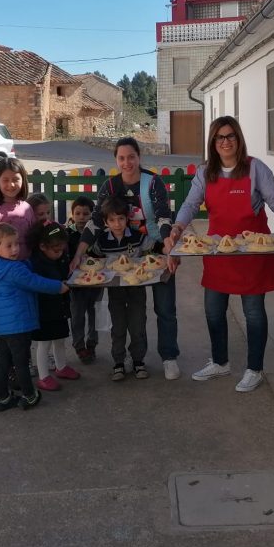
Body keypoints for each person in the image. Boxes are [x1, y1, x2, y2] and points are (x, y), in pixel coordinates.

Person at [169, 116, 274, 393]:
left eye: (230, 136)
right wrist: (177, 227)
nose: (225, 142)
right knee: (213, 311)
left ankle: (254, 369)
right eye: (219, 137)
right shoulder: (205, 172)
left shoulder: (255, 168)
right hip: (218, 252)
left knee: (253, 313)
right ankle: (220, 362)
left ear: (238, 139)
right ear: (213, 142)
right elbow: (191, 204)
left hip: (252, 252)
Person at [72, 137, 181, 380]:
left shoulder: (153, 183)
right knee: (122, 312)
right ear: (116, 160)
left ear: (139, 157)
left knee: (165, 308)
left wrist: (169, 249)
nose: (127, 162)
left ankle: (169, 356)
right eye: (121, 158)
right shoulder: (110, 187)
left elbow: (164, 217)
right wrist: (79, 253)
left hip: (156, 249)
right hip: (123, 256)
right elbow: (96, 221)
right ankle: (124, 358)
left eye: (131, 157)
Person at [0, 223, 69, 411]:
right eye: (9, 245)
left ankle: (2, 398)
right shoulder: (14, 270)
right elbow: (35, 281)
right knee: (21, 362)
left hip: (1, 327)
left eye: (16, 244)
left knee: (3, 361)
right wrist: (58, 287)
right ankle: (29, 395)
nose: (15, 249)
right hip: (18, 324)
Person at [89, 196, 151, 382]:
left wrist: (170, 253)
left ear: (127, 219)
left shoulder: (137, 237)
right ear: (106, 222)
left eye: (121, 219)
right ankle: (118, 362)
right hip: (115, 290)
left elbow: (155, 248)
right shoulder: (102, 241)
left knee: (138, 325)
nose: (117, 224)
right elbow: (91, 258)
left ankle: (138, 360)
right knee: (118, 326)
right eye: (112, 220)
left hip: (136, 288)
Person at [28, 221, 81, 391]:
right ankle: (43, 376)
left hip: (60, 307)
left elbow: (65, 271)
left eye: (62, 250)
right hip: (44, 310)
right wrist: (57, 286)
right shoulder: (36, 263)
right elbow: (38, 284)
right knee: (44, 344)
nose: (60, 253)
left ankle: (61, 366)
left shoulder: (61, 256)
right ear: (43, 246)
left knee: (60, 338)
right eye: (56, 251)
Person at [0, 158, 35, 260]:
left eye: (15, 179)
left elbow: (33, 238)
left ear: (23, 180)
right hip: (2, 267)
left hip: (27, 265)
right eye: (5, 180)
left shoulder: (27, 208)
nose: (11, 184)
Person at [67, 195, 100, 363]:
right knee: (77, 315)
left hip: (97, 281)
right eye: (77, 213)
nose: (81, 217)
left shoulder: (97, 233)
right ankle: (79, 346)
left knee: (95, 314)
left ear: (92, 215)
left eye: (86, 214)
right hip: (76, 284)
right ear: (72, 214)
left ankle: (92, 344)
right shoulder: (67, 234)